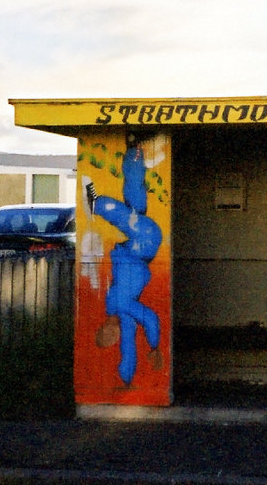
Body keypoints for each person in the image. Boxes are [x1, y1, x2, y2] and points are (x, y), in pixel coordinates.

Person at [86, 133, 163, 385]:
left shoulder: (117, 310)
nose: (114, 332)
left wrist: (125, 380)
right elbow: (150, 318)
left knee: (134, 196)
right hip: (145, 243)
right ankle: (97, 205)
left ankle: (134, 150)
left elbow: (127, 347)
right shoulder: (124, 309)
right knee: (128, 216)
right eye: (110, 333)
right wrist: (153, 346)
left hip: (135, 249)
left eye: (107, 332)